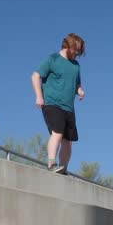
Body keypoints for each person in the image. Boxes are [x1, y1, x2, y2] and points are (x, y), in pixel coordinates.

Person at [31, 33, 86, 174]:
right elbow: (36, 76)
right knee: (58, 133)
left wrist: (79, 90)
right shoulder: (53, 59)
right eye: (75, 50)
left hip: (69, 107)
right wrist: (39, 96)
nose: (77, 53)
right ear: (67, 46)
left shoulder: (76, 66)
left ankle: (62, 169)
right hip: (52, 103)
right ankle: (51, 163)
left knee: (68, 141)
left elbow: (77, 83)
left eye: (79, 51)